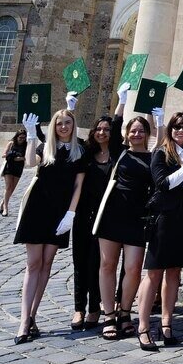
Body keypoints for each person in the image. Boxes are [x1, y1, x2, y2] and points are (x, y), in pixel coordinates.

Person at [12, 109, 85, 343]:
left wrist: (71, 214)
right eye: (59, 123)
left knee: (46, 264)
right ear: (54, 126)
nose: (63, 127)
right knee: (33, 264)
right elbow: (30, 163)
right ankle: (24, 320)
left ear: (73, 126)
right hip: (37, 208)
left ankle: (33, 315)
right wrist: (32, 135)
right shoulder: (46, 146)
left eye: (68, 123)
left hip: (60, 213)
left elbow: (78, 186)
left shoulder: (79, 151)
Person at [135, 112, 183, 351]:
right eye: (176, 127)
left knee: (174, 273)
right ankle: (143, 327)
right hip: (164, 219)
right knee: (154, 273)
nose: (180, 131)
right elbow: (163, 184)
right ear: (170, 129)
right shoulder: (161, 153)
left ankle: (166, 323)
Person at [93, 105, 156, 341]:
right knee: (107, 265)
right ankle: (109, 314)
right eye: (133, 130)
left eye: (141, 131)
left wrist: (158, 122)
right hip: (112, 214)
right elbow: (116, 122)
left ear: (147, 134)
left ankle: (125, 311)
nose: (137, 134)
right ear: (126, 133)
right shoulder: (118, 151)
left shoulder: (153, 157)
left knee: (132, 269)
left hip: (137, 218)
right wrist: (122, 100)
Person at [72, 111, 118, 331]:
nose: (102, 132)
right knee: (80, 263)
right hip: (83, 215)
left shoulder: (118, 155)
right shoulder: (85, 153)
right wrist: (72, 110)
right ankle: (78, 308)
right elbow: (64, 137)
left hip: (106, 218)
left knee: (98, 264)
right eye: (98, 129)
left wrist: (122, 104)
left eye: (106, 130)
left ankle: (94, 308)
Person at [0, 129, 27, 215]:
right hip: (9, 167)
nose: (22, 139)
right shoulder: (11, 143)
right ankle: (5, 208)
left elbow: (26, 157)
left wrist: (21, 158)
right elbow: (3, 155)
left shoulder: (26, 145)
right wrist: (12, 155)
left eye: (24, 138)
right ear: (17, 136)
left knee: (12, 188)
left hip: (18, 168)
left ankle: (2, 202)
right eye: (20, 137)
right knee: (8, 187)